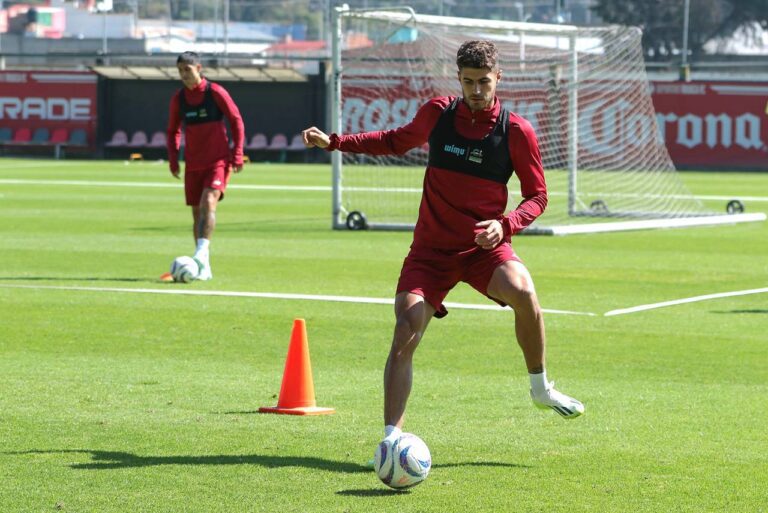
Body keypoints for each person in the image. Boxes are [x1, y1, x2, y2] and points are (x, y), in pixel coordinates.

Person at [301, 40, 584, 451]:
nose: (475, 90)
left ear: (498, 78)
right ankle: (390, 441)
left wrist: (504, 226)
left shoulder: (517, 131)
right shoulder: (438, 113)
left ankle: (540, 388)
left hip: (483, 250)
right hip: (431, 253)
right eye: (468, 81)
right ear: (458, 79)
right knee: (405, 329)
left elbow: (538, 196)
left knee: (524, 290)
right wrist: (335, 142)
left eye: (483, 82)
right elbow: (395, 140)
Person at [165, 51, 245, 281]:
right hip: (193, 163)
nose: (183, 75)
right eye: (180, 71)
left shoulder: (215, 92)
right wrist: (173, 159)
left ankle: (199, 255)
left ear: (198, 68)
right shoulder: (179, 99)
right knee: (197, 214)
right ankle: (204, 266)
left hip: (218, 160)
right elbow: (173, 130)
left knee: (208, 201)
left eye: (187, 70)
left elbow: (236, 120)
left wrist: (237, 153)